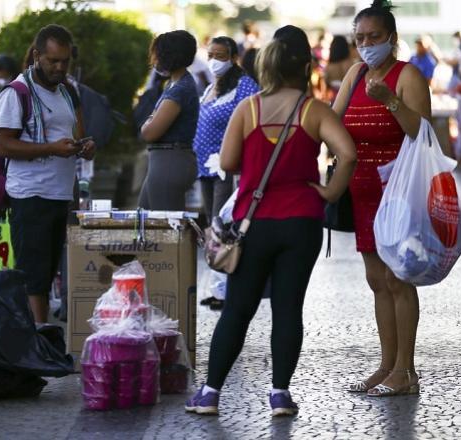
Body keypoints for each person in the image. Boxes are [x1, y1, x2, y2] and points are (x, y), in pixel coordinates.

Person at [185, 25, 357, 417]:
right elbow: (347, 154)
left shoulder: (250, 109)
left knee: (237, 309)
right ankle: (280, 394)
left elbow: (227, 163)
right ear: (306, 66)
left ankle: (210, 394)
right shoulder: (314, 110)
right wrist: (329, 193)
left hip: (254, 222)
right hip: (302, 222)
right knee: (288, 307)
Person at [333, 0, 431, 396]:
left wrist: (390, 101)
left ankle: (405, 372)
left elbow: (422, 133)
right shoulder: (355, 74)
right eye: (360, 38)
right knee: (377, 280)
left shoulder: (407, 75)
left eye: (374, 37)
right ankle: (386, 365)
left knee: (398, 278)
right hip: (363, 191)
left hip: (399, 192)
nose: (366, 44)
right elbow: (332, 120)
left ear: (392, 38)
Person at [0, 24, 95, 324]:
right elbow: (2, 144)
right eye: (53, 60)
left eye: (65, 61)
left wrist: (83, 146)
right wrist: (51, 148)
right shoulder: (17, 93)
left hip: (59, 193)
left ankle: (41, 336)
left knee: (49, 270)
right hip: (30, 194)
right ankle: (39, 337)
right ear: (37, 55)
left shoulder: (65, 91)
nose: (60, 67)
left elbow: (73, 133)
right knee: (34, 275)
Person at [193, 36, 259, 311]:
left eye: (220, 55)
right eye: (211, 54)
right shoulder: (212, 86)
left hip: (227, 166)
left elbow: (253, 121)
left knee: (224, 224)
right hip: (204, 167)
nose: (214, 61)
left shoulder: (245, 85)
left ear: (233, 57)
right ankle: (216, 285)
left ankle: (225, 288)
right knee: (212, 226)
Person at [138, 30, 199, 211]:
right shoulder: (174, 83)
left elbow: (150, 132)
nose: (154, 60)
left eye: (157, 54)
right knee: (145, 221)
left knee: (165, 228)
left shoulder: (179, 89)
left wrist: (148, 121)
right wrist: (151, 119)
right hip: (164, 160)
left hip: (169, 161)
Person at [324, 35, 354, 103]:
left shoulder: (329, 67)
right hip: (351, 99)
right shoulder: (353, 65)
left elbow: (326, 85)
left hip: (335, 100)